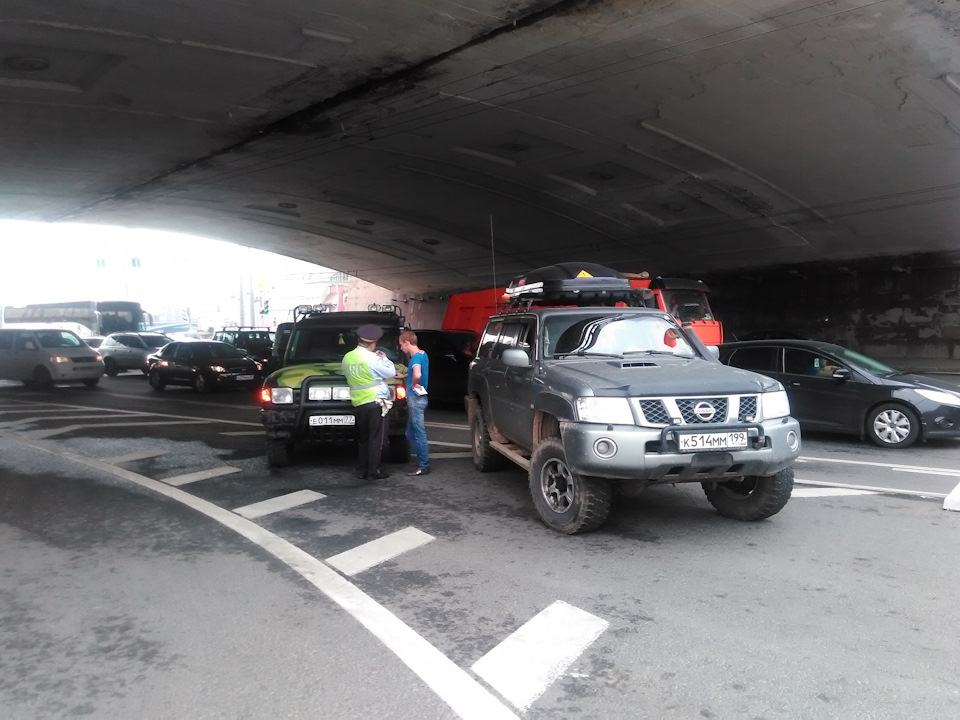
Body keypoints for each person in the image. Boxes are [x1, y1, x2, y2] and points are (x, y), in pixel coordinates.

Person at [341, 324, 397, 481]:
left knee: (364, 438)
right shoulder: (373, 358)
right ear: (373, 343)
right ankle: (374, 471)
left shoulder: (347, 357)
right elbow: (391, 372)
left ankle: (362, 470)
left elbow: (346, 374)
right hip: (376, 402)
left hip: (359, 403)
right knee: (377, 439)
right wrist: (384, 358)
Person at [399, 330, 430, 476]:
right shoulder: (423, 354)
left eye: (401, 344)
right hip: (421, 398)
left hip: (415, 399)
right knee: (410, 433)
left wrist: (412, 384)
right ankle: (422, 461)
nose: (401, 348)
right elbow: (416, 371)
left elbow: (417, 373)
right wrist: (405, 375)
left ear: (407, 342)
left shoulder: (415, 359)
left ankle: (424, 465)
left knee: (418, 433)